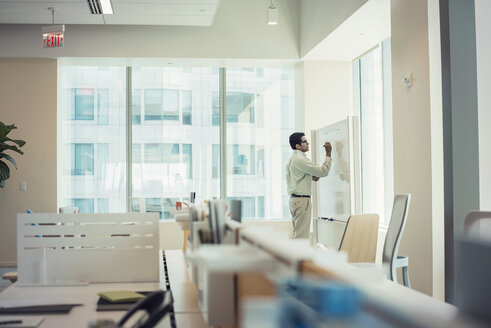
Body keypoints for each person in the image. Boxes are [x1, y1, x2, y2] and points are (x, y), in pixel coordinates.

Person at [286, 132, 332, 239]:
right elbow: (323, 171)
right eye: (305, 141)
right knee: (301, 237)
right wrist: (328, 153)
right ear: (297, 146)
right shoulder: (301, 159)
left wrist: (309, 176)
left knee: (297, 235)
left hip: (294, 200)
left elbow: (296, 177)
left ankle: (294, 255)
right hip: (302, 201)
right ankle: (299, 256)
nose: (308, 143)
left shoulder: (292, 159)